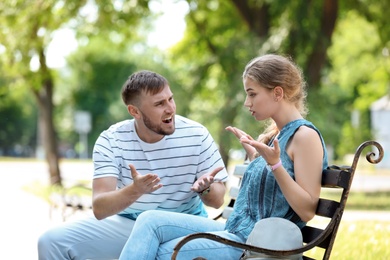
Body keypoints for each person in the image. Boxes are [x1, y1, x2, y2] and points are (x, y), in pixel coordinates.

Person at [118, 54, 329, 260]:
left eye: (252, 94)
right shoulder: (277, 136)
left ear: (277, 93)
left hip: (254, 245)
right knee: (149, 220)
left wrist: (274, 165)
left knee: (160, 251)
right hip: (235, 231)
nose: (247, 103)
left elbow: (307, 210)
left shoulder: (305, 136)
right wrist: (258, 158)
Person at [37, 70, 228, 259]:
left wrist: (206, 189)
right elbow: (100, 208)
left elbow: (218, 200)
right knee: (51, 241)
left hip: (184, 226)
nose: (170, 108)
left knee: (151, 223)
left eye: (170, 99)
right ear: (134, 111)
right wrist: (135, 190)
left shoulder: (196, 134)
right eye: (159, 104)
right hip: (129, 224)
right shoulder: (111, 140)